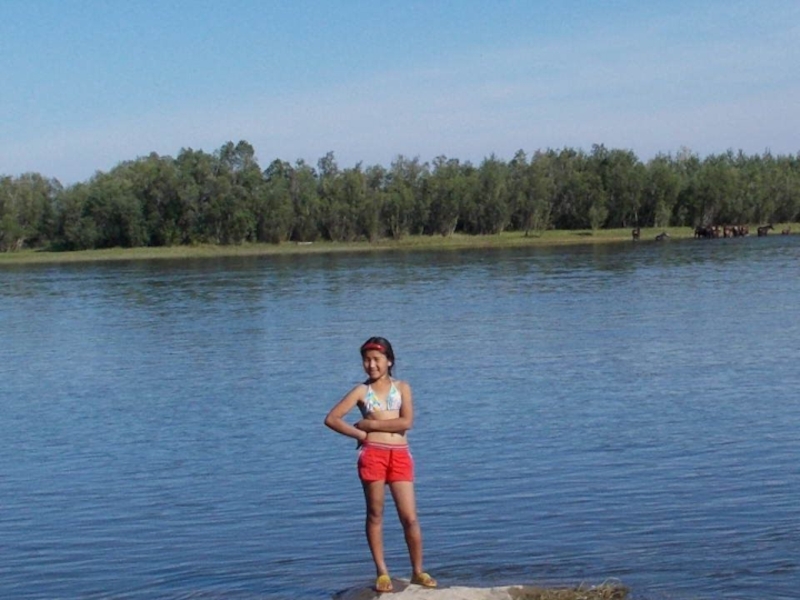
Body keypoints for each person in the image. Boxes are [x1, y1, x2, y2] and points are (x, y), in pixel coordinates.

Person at [324, 337, 437, 593]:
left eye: (376, 359)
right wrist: (361, 435)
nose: (371, 365)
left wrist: (370, 424)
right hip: (373, 455)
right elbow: (332, 419)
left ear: (389, 361)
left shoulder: (402, 387)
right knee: (375, 514)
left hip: (400, 455)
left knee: (409, 517)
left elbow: (406, 422)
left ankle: (418, 571)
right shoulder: (361, 391)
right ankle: (382, 572)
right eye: (366, 360)